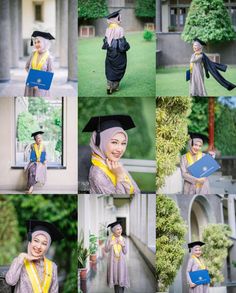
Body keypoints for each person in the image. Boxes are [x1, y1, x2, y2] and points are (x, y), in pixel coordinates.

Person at [82, 115, 140, 195]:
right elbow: (118, 203)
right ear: (100, 143)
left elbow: (137, 192)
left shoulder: (116, 166)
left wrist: (119, 173)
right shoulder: (97, 173)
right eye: (114, 142)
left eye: (123, 143)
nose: (120, 149)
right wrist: (119, 176)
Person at [5, 220, 64, 293]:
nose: (39, 246)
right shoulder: (20, 261)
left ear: (47, 247)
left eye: (44, 243)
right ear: (30, 241)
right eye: (36, 240)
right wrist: (22, 256)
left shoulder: (52, 267)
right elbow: (10, 281)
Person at [102, 10, 130, 95]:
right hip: (119, 51)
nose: (120, 19)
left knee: (110, 68)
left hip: (110, 51)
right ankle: (116, 86)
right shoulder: (120, 29)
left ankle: (109, 85)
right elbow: (122, 42)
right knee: (120, 67)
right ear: (116, 19)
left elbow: (106, 42)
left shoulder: (107, 29)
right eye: (119, 18)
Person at [24, 31, 54, 97]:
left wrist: (39, 84)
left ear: (45, 43)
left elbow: (50, 73)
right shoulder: (33, 54)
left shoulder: (49, 57)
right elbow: (26, 67)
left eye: (38, 42)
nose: (36, 44)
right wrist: (32, 78)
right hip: (30, 85)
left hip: (42, 87)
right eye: (35, 42)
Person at [105, 221, 130, 293]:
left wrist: (123, 245)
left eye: (121, 229)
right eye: (117, 229)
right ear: (113, 231)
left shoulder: (123, 239)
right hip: (113, 263)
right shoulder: (110, 239)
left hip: (121, 263)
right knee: (115, 279)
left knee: (121, 279)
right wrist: (110, 244)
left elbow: (125, 252)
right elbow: (106, 250)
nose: (120, 231)